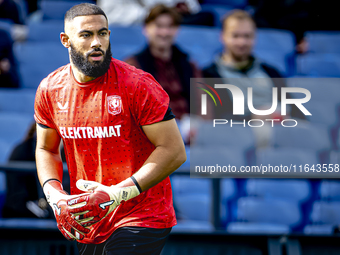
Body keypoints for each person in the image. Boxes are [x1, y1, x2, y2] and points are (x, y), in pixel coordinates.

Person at [34, 3, 186, 255]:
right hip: (91, 218)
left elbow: (174, 151)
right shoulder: (50, 89)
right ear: (65, 40)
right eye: (86, 34)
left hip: (143, 214)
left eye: (102, 33)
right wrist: (54, 195)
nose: (97, 42)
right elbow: (45, 148)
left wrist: (118, 192)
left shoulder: (138, 84)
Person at [203, 9, 305, 122]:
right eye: (235, 36)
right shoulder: (208, 75)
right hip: (239, 133)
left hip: (280, 130)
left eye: (247, 36)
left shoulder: (271, 72)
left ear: (254, 37)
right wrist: (254, 118)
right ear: (222, 36)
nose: (242, 42)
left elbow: (296, 112)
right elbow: (214, 119)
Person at [125, 4, 201, 120]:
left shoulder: (190, 64)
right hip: (153, 129)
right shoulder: (133, 67)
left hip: (190, 129)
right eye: (158, 26)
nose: (164, 32)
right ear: (146, 29)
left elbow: (203, 103)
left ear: (177, 30)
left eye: (170, 27)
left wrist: (199, 126)